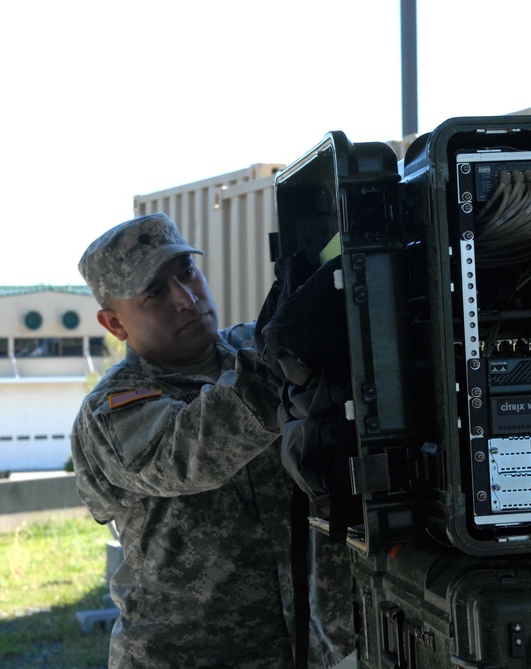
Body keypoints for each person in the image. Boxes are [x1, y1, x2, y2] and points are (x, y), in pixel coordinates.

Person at [70, 213, 353, 669]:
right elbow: (191, 453)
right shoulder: (113, 409)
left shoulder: (253, 348)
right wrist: (285, 362)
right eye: (155, 293)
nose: (185, 299)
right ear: (114, 324)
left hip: (309, 650)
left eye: (186, 272)